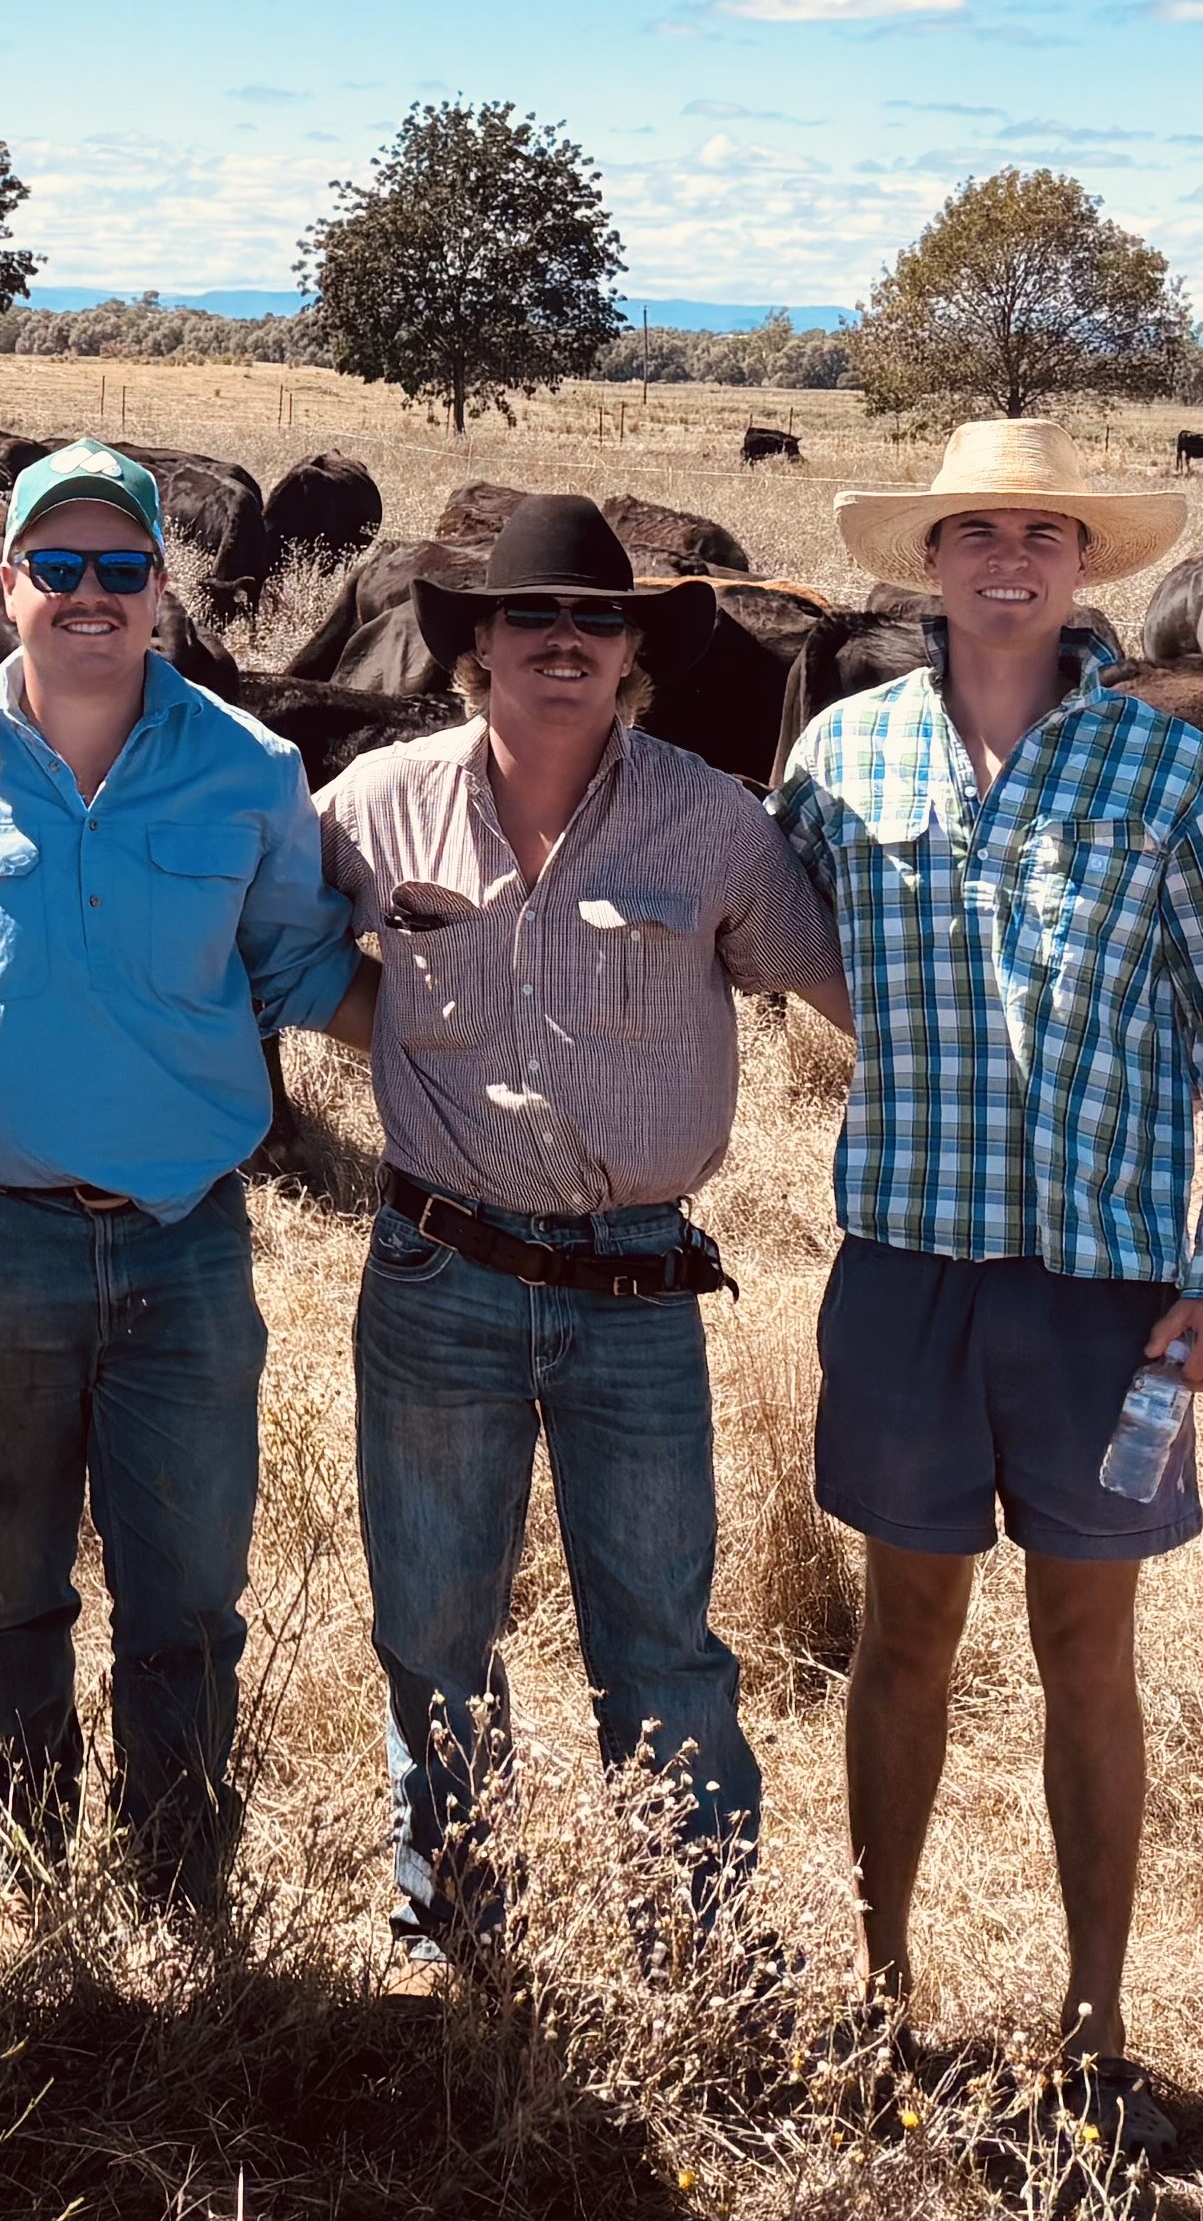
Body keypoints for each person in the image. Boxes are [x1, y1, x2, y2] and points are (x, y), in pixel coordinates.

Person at [772, 415, 1203, 2149]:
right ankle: (879, 1989)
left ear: (1085, 568)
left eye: (1044, 535)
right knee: (900, 1628)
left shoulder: (1171, 776)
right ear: (928, 562)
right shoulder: (841, 762)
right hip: (912, 1266)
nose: (1009, 560)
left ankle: (1095, 2021)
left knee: (1091, 1640)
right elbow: (766, 948)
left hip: (1107, 1289)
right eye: (977, 531)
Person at [309, 494, 850, 1990]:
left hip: (634, 1285)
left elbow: (854, 994)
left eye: (596, 620)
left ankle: (696, 1943)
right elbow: (273, 953)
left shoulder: (715, 822)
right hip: (439, 1269)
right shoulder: (376, 807)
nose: (564, 640)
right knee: (431, 1628)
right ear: (476, 647)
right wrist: (395, 1035)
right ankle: (451, 1929)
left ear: (634, 657)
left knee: (662, 1639)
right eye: (532, 618)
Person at [0, 441, 356, 1913]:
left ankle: (178, 1882)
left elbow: (300, 969)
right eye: (58, 567)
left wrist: (498, 1010)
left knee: (189, 1593)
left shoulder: (250, 769)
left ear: (161, 588)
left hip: (182, 1242)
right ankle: (17, 1880)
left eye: (121, 569)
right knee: (8, 1579)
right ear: (8, 580)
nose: (91, 595)